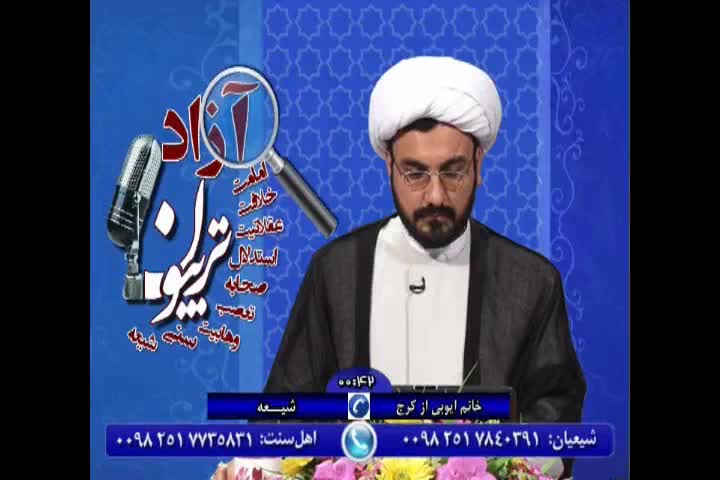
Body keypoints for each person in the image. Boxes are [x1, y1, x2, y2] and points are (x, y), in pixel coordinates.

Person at [261, 56, 585, 478]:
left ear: (479, 165)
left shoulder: (530, 282)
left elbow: (556, 416)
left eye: (453, 172)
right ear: (389, 167)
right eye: (415, 173)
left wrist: (503, 468)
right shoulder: (336, 272)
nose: (435, 196)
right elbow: (284, 415)